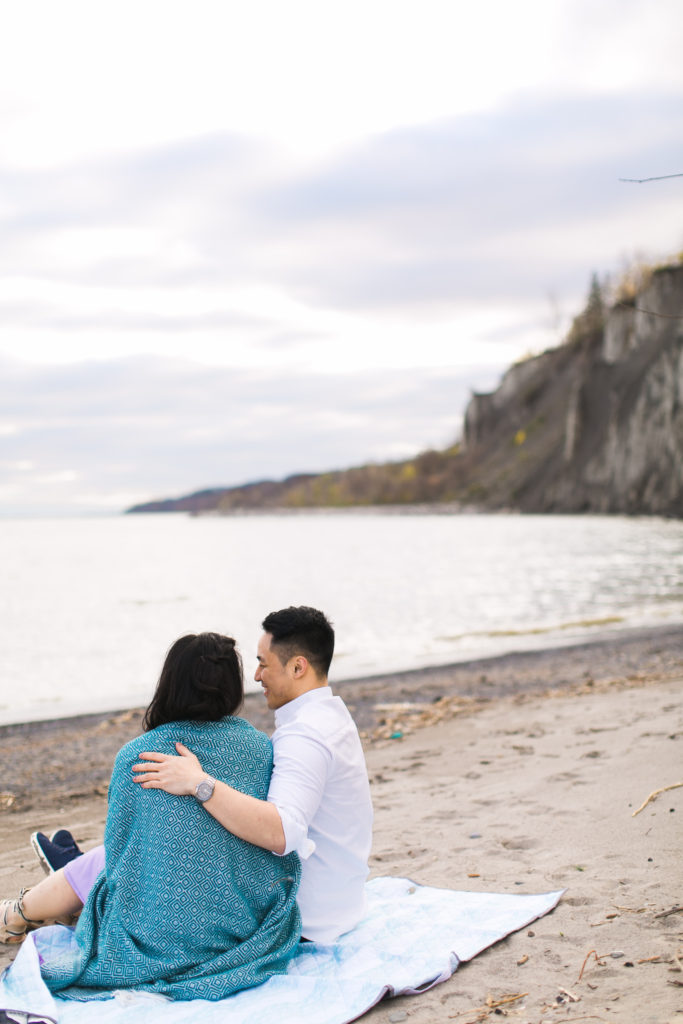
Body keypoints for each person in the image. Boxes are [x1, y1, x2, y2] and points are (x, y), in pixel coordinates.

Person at [12, 606, 373, 945]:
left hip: (307, 917)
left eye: (264, 663)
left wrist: (199, 783)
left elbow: (284, 832)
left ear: (298, 667)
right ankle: (69, 870)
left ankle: (25, 907)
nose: (257, 675)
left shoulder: (304, 737)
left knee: (117, 858)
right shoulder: (330, 717)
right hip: (341, 901)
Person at [0, 633, 301, 1002]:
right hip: (239, 929)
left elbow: (121, 862)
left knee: (107, 874)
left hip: (155, 936)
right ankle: (51, 889)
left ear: (170, 682)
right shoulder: (259, 749)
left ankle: (26, 908)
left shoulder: (136, 757)